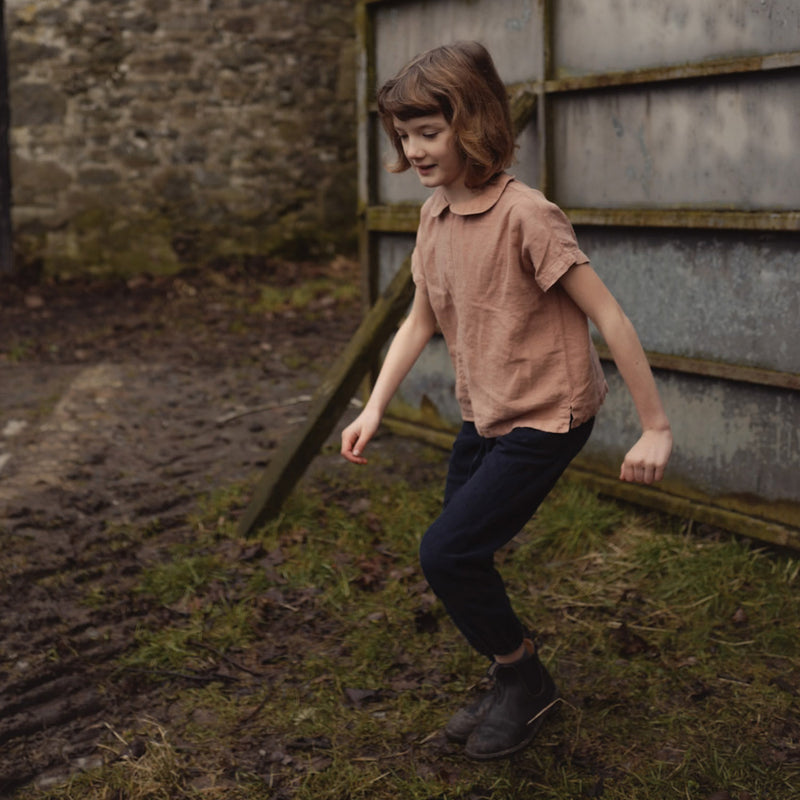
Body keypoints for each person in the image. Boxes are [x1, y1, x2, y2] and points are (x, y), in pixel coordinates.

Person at [340, 41, 672, 761]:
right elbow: (419, 320)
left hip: (548, 416)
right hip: (485, 410)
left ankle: (523, 679)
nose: (415, 149)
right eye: (404, 135)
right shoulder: (434, 217)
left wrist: (655, 426)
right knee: (461, 554)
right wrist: (372, 407)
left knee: (447, 552)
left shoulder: (528, 216)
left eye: (429, 132)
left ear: (475, 124)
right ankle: (510, 672)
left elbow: (609, 316)